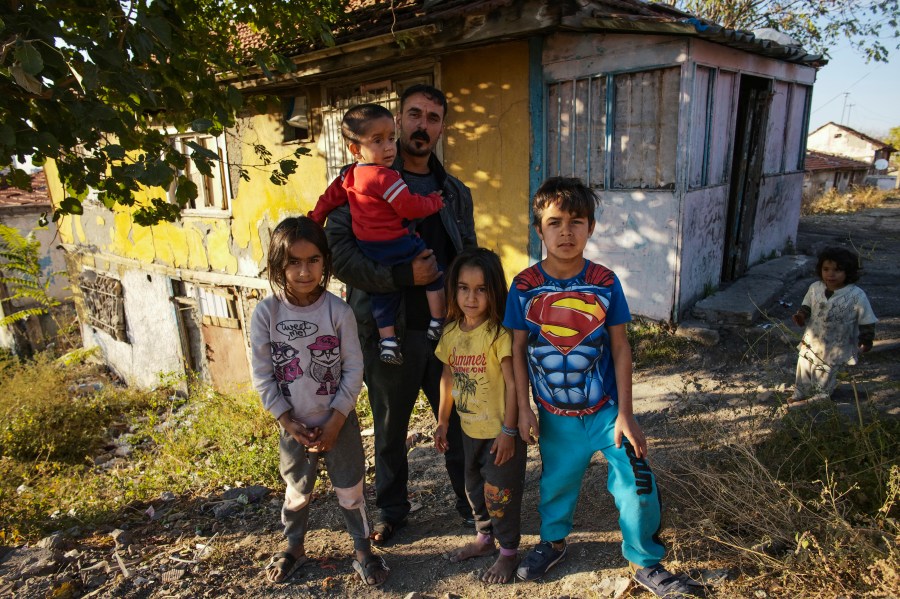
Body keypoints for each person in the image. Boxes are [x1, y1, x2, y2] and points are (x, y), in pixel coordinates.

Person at [503, 177, 692, 598]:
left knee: (636, 480)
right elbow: (516, 352)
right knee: (556, 484)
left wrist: (626, 412)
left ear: (591, 227)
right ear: (539, 229)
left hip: (607, 411)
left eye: (577, 221)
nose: (565, 232)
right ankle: (552, 542)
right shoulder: (523, 286)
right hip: (555, 417)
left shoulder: (606, 282)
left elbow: (621, 347)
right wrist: (523, 409)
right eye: (555, 222)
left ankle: (645, 560)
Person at [324, 84, 477, 544]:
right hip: (386, 327)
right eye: (414, 115)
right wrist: (401, 277)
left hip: (447, 331)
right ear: (397, 122)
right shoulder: (357, 185)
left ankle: (471, 505)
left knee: (462, 422)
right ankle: (392, 511)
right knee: (390, 429)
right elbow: (340, 258)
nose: (422, 125)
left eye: (433, 118)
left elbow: (469, 255)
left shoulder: (454, 192)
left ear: (441, 128)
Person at [250, 217, 389, 586]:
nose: (304, 270)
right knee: (296, 491)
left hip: (337, 423)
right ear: (278, 266)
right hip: (293, 425)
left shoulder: (337, 311)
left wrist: (337, 418)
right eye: (293, 262)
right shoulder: (266, 313)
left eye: (313, 260)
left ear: (325, 262)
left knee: (351, 489)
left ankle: (363, 550)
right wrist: (286, 421)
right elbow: (263, 374)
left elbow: (353, 368)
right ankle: (293, 545)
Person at [309, 103, 447, 365]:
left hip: (371, 247)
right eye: (378, 140)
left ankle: (388, 342)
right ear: (354, 149)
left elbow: (327, 199)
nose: (388, 147)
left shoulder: (349, 177)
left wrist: (315, 218)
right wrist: (433, 202)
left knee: (384, 295)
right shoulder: (386, 177)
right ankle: (438, 321)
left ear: (442, 126)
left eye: (391, 139)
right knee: (434, 272)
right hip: (396, 244)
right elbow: (408, 207)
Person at [433, 247, 526, 584]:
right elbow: (447, 377)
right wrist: (443, 421)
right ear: (453, 289)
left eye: (481, 289)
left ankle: (508, 553)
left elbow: (514, 383)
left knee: (500, 494)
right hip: (468, 430)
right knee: (473, 488)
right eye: (463, 287)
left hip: (499, 432)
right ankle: (485, 540)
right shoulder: (451, 333)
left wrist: (509, 430)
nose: (471, 297)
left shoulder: (499, 335)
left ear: (493, 291)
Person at [791, 246, 877, 402]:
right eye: (826, 269)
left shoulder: (856, 295)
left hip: (836, 343)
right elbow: (807, 306)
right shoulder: (815, 288)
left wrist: (866, 340)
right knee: (803, 365)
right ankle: (800, 393)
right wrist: (801, 316)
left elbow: (867, 320)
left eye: (837, 270)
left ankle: (819, 398)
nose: (830, 274)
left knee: (825, 370)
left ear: (848, 272)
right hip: (811, 340)